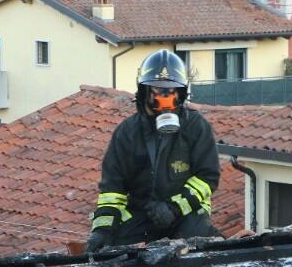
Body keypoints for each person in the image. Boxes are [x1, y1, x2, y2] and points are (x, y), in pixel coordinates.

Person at [86, 50, 221, 251]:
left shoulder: (196, 127)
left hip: (186, 213)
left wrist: (174, 208)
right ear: (144, 91)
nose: (166, 97)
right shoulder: (127, 133)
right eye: (158, 90)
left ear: (182, 93)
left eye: (172, 90)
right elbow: (112, 190)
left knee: (199, 245)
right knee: (117, 255)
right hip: (142, 214)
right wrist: (102, 231)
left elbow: (207, 177)